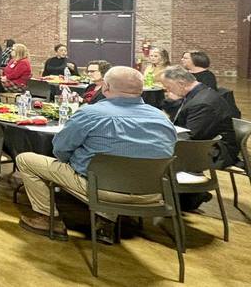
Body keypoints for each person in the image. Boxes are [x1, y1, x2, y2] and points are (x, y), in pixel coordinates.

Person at [15, 67, 177, 239]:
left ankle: (49, 220)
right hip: (151, 193)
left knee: (25, 160)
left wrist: (75, 160)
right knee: (114, 167)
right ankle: (105, 222)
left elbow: (60, 149)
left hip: (103, 190)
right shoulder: (162, 118)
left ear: (105, 87)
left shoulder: (91, 113)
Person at [161, 66, 239, 170]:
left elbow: (191, 137)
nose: (167, 90)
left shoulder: (202, 103)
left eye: (168, 87)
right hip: (205, 143)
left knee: (155, 156)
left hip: (215, 151)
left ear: (181, 84)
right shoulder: (198, 93)